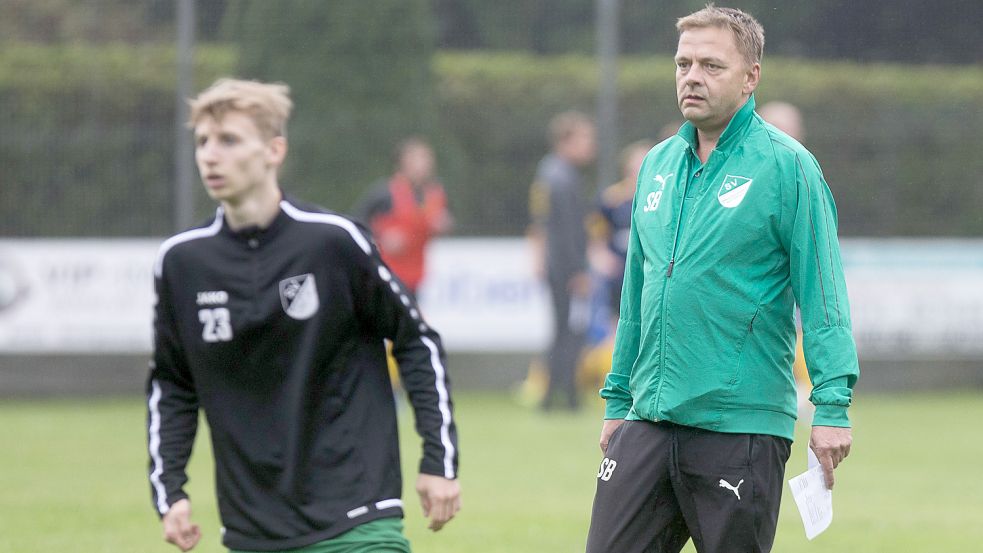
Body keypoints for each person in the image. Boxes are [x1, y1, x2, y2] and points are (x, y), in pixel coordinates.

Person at [586, 6, 859, 553]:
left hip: (741, 426)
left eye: (711, 65)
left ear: (750, 76)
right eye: (683, 63)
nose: (692, 76)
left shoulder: (788, 167)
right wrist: (618, 398)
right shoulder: (657, 165)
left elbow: (823, 295)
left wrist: (831, 407)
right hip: (650, 417)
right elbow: (637, 294)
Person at [146, 78, 460, 553]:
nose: (210, 155)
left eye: (229, 140)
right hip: (253, 529)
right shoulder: (181, 263)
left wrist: (438, 460)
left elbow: (417, 341)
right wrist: (170, 491)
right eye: (203, 141)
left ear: (274, 150)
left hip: (357, 515)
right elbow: (173, 383)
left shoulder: (332, 242)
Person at [527, 111, 597, 411]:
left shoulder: (549, 173)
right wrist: (579, 270)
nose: (590, 146)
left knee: (561, 330)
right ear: (566, 141)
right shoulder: (562, 176)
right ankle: (566, 396)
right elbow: (567, 230)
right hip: (565, 268)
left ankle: (553, 395)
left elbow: (541, 221)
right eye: (585, 139)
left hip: (556, 265)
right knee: (568, 331)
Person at [356, 137, 452, 297]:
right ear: (402, 162)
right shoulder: (385, 193)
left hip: (416, 275)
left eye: (427, 158)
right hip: (384, 275)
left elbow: (447, 220)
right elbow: (356, 223)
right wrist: (381, 237)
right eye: (417, 158)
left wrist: (444, 225)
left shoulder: (435, 194)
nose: (424, 164)